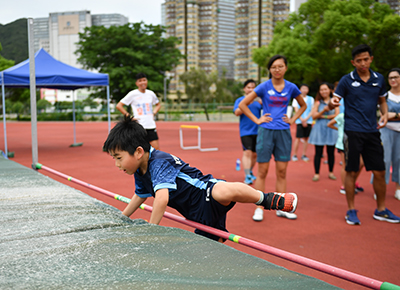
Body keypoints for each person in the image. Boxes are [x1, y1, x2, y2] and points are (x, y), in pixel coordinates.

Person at [103, 117, 298, 242]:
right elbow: (140, 196)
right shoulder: (139, 170)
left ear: (138, 152)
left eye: (119, 158)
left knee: (225, 191)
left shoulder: (158, 161)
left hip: (205, 192)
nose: (117, 165)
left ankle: (268, 199)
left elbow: (161, 199)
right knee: (213, 245)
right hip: (195, 214)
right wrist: (122, 218)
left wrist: (151, 232)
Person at [329, 44, 400, 224]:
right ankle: (351, 210)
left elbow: (382, 100)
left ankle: (381, 209)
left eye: (365, 59)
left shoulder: (379, 79)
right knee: (352, 171)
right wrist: (332, 102)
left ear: (371, 59)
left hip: (372, 131)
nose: (362, 63)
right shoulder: (346, 80)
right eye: (358, 61)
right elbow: (333, 102)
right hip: (352, 131)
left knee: (380, 171)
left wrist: (384, 115)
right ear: (353, 62)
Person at [239, 55, 306, 221]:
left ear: (286, 68)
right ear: (270, 69)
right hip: (266, 132)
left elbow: (303, 105)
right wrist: (257, 120)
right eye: (274, 67)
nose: (277, 69)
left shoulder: (291, 87)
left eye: (280, 66)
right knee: (262, 171)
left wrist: (292, 119)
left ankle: (281, 207)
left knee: (282, 172)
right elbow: (243, 105)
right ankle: (259, 207)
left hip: (283, 132)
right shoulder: (264, 87)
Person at [116, 72, 161, 150]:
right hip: (139, 126)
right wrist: (129, 117)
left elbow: (158, 105)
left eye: (144, 80)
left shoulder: (151, 94)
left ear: (147, 81)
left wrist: (153, 113)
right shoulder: (133, 94)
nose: (142, 82)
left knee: (156, 150)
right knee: (139, 150)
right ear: (137, 83)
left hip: (150, 125)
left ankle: (153, 162)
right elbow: (119, 106)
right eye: (140, 81)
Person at [308, 83, 339, 182]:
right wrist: (324, 111)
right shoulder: (317, 102)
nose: (323, 91)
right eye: (321, 90)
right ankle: (316, 173)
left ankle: (331, 172)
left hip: (331, 128)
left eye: (325, 89)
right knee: (318, 152)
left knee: (331, 152)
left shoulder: (334, 101)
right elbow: (314, 116)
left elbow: (336, 115)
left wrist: (323, 116)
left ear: (329, 90)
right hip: (319, 129)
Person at [233, 79, 262, 184]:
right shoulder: (240, 101)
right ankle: (247, 176)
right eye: (249, 87)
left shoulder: (259, 102)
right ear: (244, 89)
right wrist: (246, 103)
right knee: (247, 153)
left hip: (258, 131)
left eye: (253, 87)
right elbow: (236, 112)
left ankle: (249, 171)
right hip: (245, 132)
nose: (251, 89)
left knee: (254, 155)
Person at [328, 113, 364, 194]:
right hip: (343, 144)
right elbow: (329, 124)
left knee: (361, 163)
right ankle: (344, 186)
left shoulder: (359, 115)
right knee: (345, 165)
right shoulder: (342, 116)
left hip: (356, 143)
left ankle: (352, 183)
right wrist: (339, 130)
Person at [381, 68, 400, 200]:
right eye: (390, 78)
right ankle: (380, 188)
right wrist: (389, 115)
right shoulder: (384, 96)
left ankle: (398, 189)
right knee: (385, 160)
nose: (393, 80)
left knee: (399, 161)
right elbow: (384, 116)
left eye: (396, 77)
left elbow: (391, 115)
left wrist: (396, 114)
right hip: (386, 130)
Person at [291, 84, 314, 162]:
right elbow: (296, 110)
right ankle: (294, 154)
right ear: (300, 90)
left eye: (306, 88)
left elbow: (312, 110)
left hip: (309, 121)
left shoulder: (311, 99)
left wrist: (306, 119)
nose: (304, 90)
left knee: (306, 138)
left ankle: (304, 154)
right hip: (299, 121)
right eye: (303, 88)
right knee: (298, 138)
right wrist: (301, 119)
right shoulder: (296, 98)